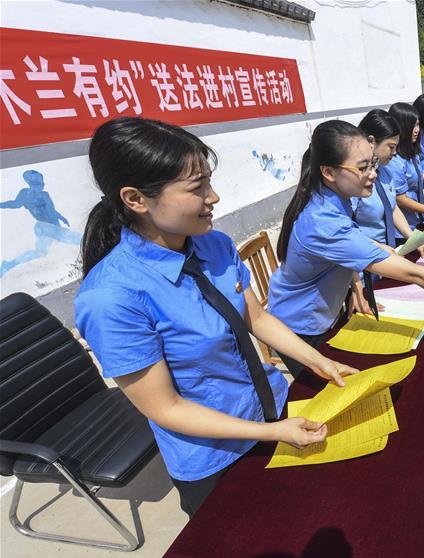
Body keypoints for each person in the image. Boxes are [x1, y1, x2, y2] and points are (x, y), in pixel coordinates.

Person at [74, 117, 357, 516]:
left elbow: (256, 318)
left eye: (209, 181)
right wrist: (269, 432)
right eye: (197, 188)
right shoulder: (111, 298)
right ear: (136, 199)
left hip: (272, 411)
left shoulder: (215, 245)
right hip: (214, 457)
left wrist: (319, 361)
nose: (215, 197)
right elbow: (166, 408)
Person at [267, 120, 424, 377]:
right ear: (329, 172)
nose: (373, 174)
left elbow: (346, 246)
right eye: (362, 168)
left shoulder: (334, 196)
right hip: (301, 326)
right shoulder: (323, 222)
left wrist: (360, 275)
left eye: (372, 164)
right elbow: (414, 274)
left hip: (321, 312)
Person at [353, 109, 424, 256]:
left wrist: (413, 240)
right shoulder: (353, 181)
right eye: (391, 147)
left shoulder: (385, 172)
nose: (395, 152)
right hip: (364, 260)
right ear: (371, 142)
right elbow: (347, 231)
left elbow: (392, 207)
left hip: (388, 255)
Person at [386, 102, 424, 232]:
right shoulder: (394, 161)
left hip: (415, 221)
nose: (417, 130)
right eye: (412, 126)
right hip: (402, 230)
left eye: (418, 124)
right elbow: (400, 199)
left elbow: (415, 187)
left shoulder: (411, 152)